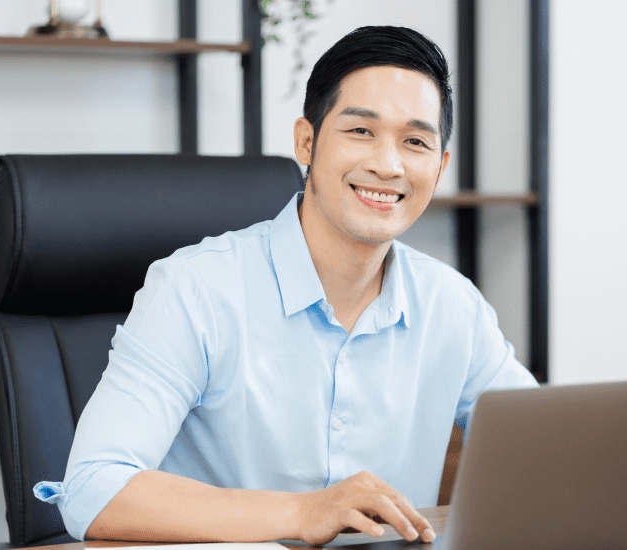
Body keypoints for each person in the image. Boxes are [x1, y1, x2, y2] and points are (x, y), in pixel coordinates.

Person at [33, 25, 537, 546]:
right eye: (360, 131)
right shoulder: (196, 289)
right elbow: (94, 489)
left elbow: (548, 452)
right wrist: (303, 512)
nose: (388, 166)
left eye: (415, 142)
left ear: (440, 166)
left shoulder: (453, 306)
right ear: (306, 140)